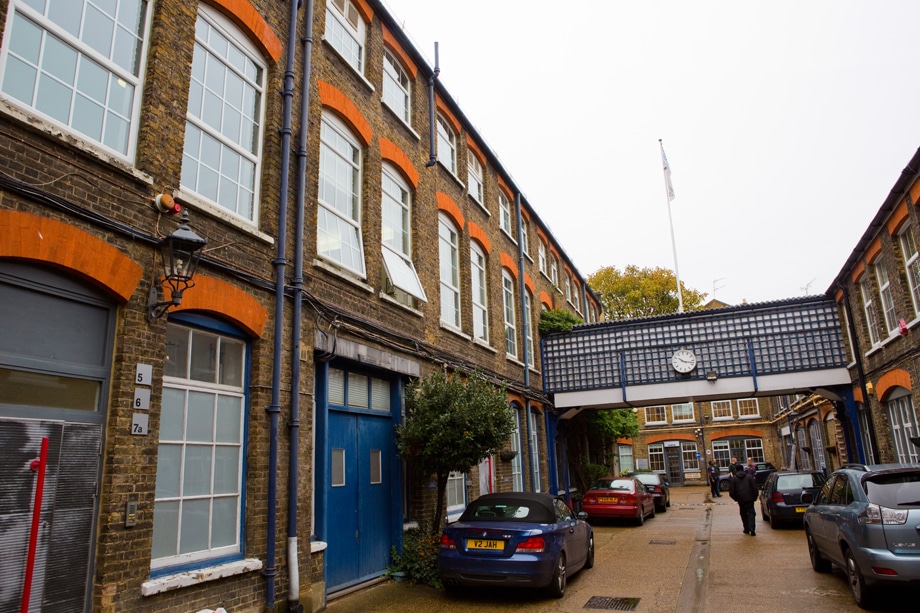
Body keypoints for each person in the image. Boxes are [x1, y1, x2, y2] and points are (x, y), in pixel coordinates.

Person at [728, 466, 758, 536]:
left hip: (740, 499)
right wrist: (754, 497)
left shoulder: (734, 479)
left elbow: (731, 491)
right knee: (751, 513)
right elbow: (755, 488)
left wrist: (736, 498)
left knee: (743, 513)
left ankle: (746, 528)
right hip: (750, 498)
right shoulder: (749, 477)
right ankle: (752, 528)